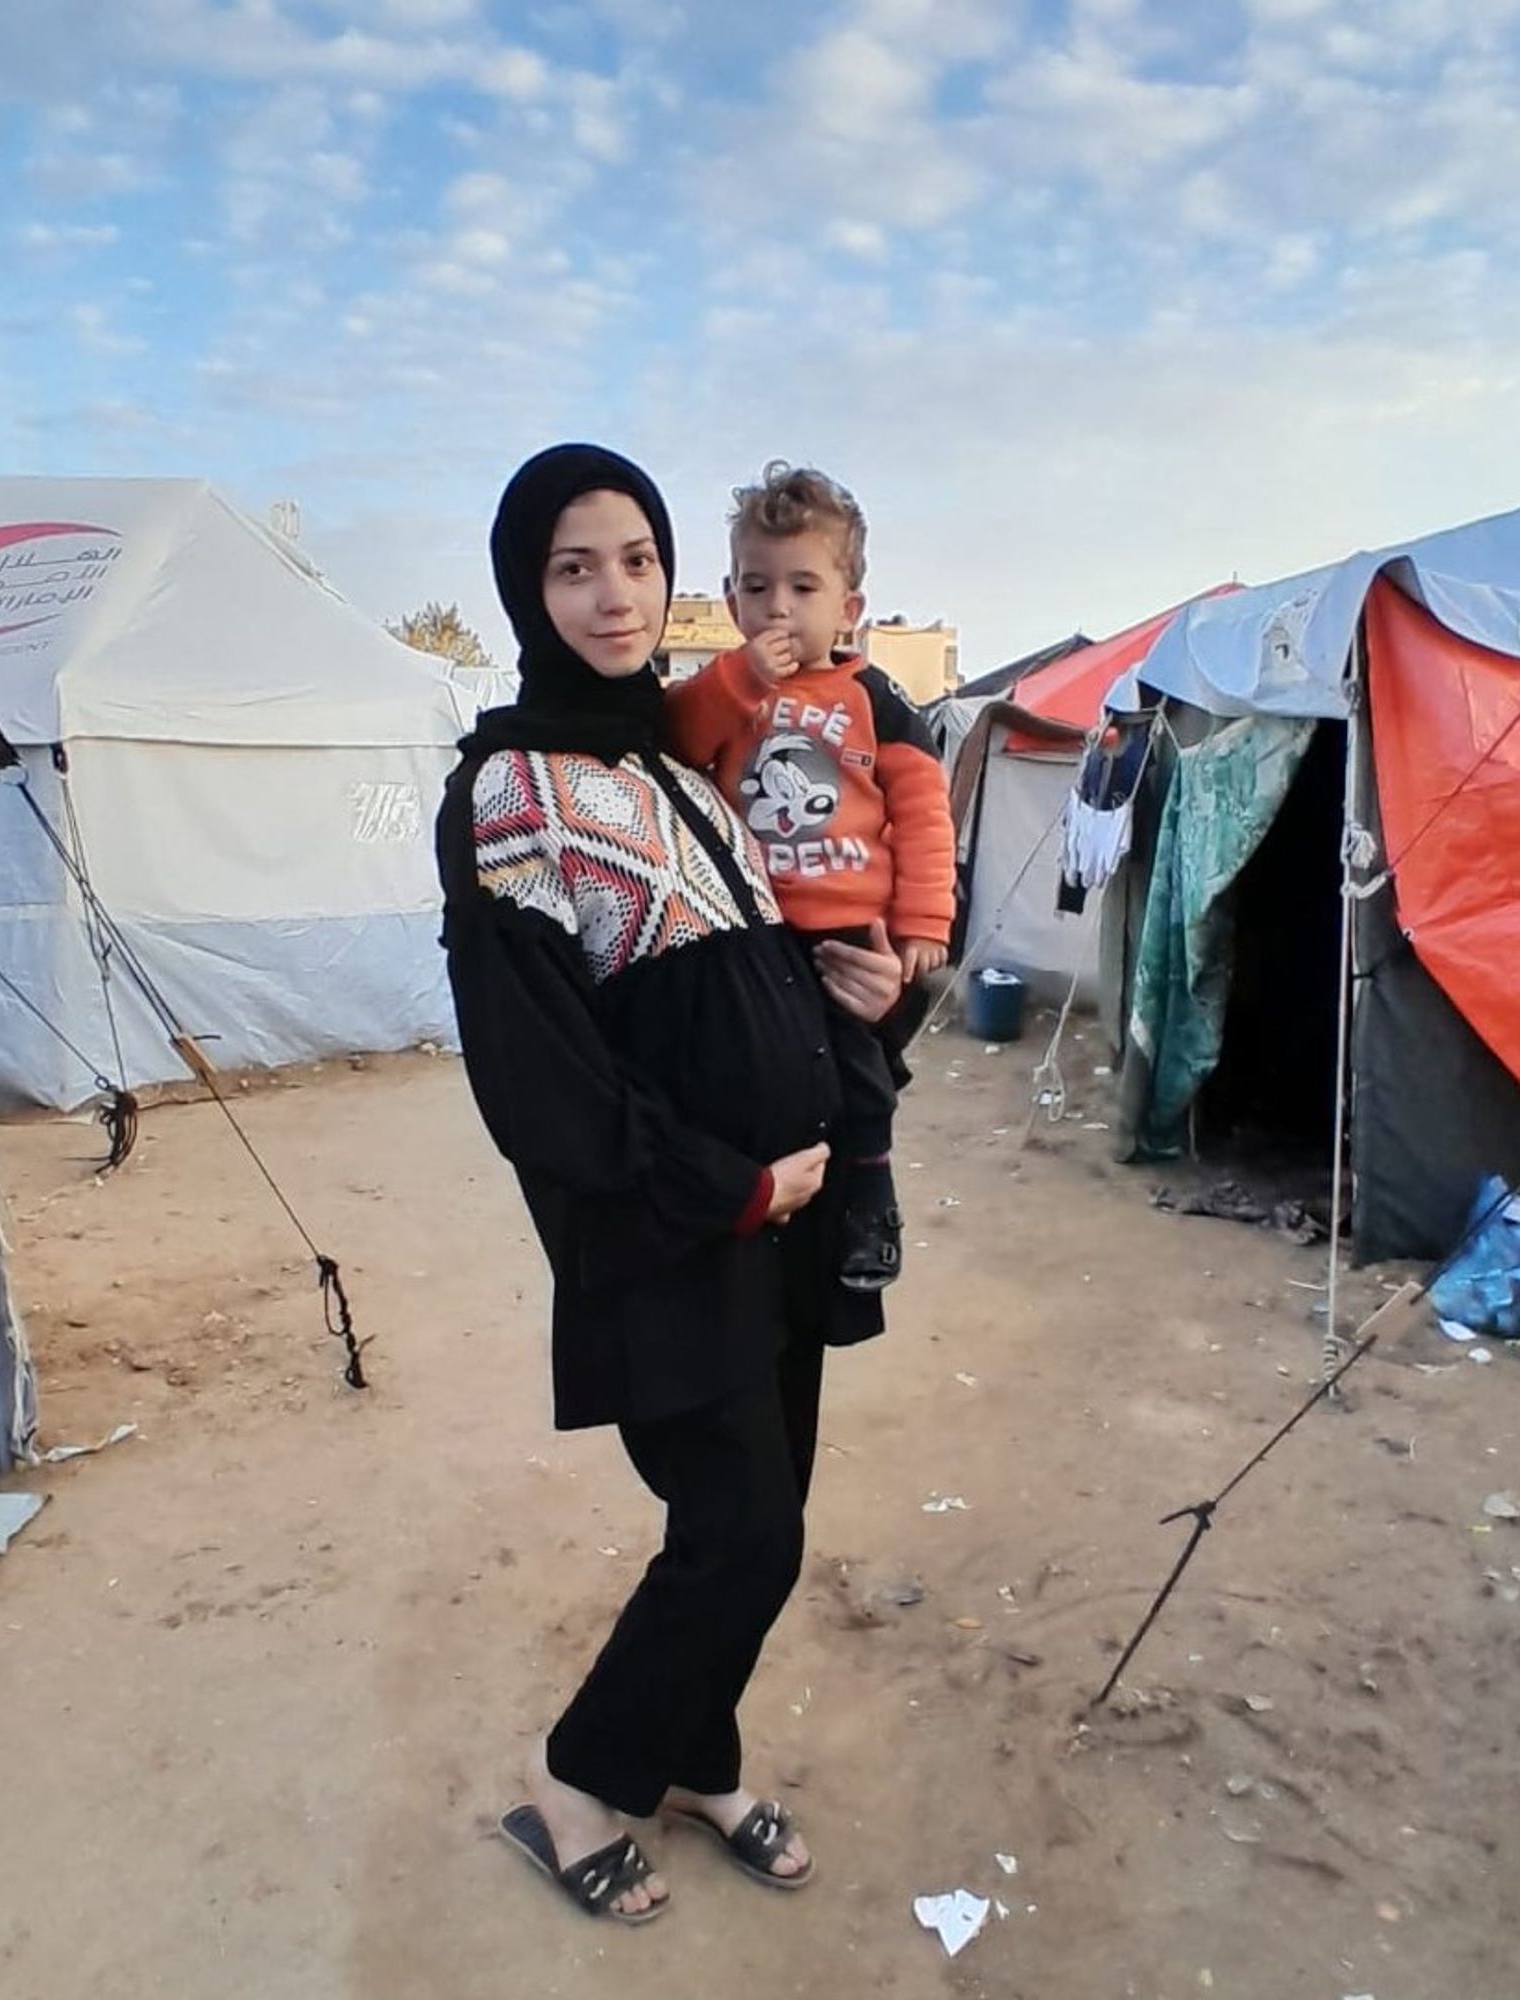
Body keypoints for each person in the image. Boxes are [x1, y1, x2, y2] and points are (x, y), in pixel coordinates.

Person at [434, 444, 905, 1925]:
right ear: (528, 586)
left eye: (635, 558)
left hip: (784, 1211)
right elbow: (541, 1077)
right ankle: (581, 1772)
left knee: (761, 1524)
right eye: (575, 565)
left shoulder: (682, 759)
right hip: (677, 1230)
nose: (614, 593)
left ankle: (697, 1755)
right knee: (745, 1528)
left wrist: (884, 994)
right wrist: (725, 1188)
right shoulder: (511, 790)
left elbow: (800, 936)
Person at [666, 462, 955, 1291]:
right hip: (750, 934)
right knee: (756, 1075)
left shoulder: (877, 699)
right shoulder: (724, 690)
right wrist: (740, 679)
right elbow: (678, 740)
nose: (778, 609)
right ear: (730, 603)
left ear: (848, 608)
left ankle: (871, 1203)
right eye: (757, 588)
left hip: (844, 932)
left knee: (858, 1077)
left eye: (802, 586)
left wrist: (924, 925)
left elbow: (924, 813)